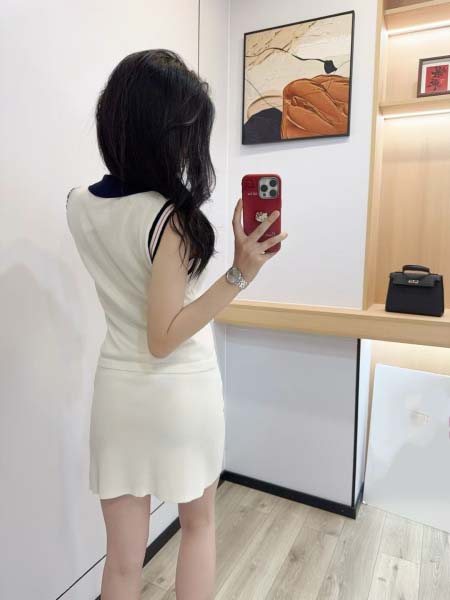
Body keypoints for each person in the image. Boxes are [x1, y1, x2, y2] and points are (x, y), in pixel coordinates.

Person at [66, 48, 288, 600]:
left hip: (118, 394)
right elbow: (163, 337)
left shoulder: (77, 205)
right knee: (198, 527)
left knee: (122, 563)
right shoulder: (169, 218)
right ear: (164, 135)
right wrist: (240, 273)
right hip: (181, 394)